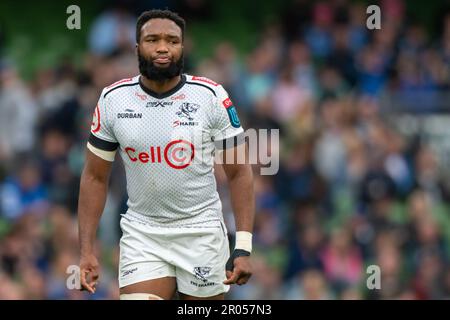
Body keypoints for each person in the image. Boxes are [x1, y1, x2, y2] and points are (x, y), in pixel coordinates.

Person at [77, 9, 255, 300]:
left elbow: (239, 172)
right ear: (137, 48)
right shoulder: (113, 100)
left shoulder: (210, 97)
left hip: (201, 233)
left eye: (172, 40)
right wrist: (86, 250)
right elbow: (95, 176)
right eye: (152, 39)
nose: (162, 47)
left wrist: (243, 247)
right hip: (142, 234)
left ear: (182, 48)